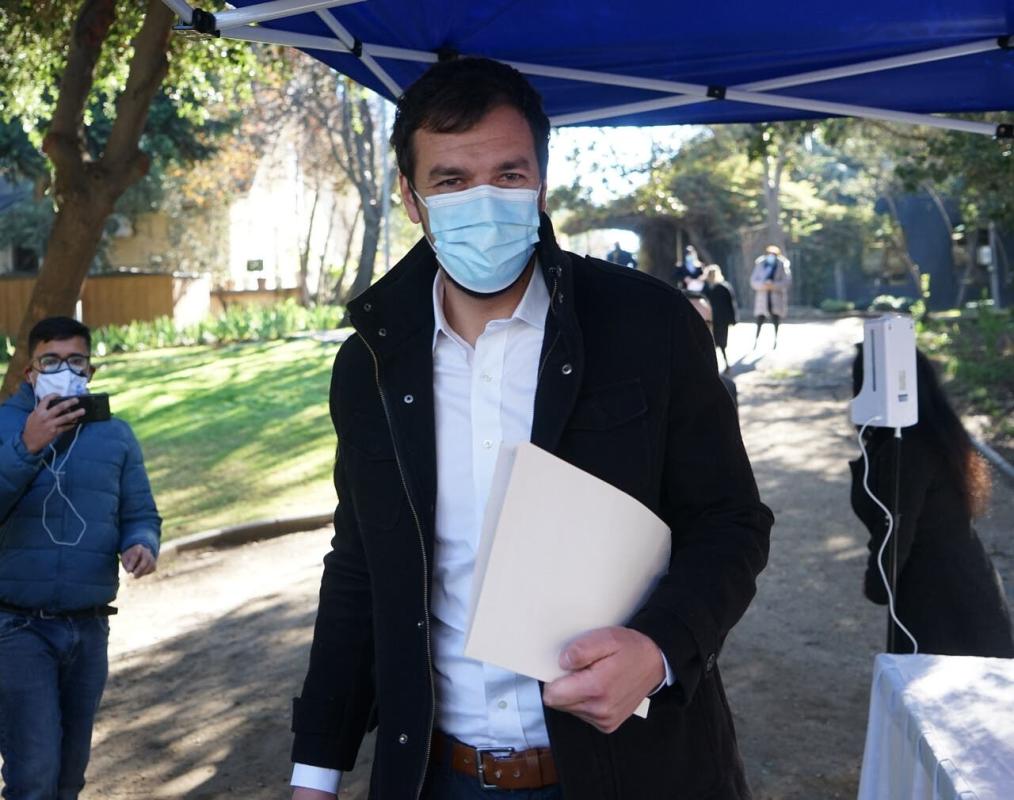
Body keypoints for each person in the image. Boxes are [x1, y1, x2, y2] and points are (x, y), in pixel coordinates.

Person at [291, 57, 772, 800]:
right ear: (411, 198)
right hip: (441, 777)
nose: (482, 200)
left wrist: (659, 648)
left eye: (508, 175)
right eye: (451, 180)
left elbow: (730, 522)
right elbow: (359, 566)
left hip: (635, 773)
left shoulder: (651, 327)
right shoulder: (369, 368)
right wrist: (316, 772)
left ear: (541, 183)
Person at [0, 316, 161, 799]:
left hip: (89, 628)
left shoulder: (116, 436)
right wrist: (26, 446)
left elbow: (140, 512)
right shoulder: (3, 425)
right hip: (16, 627)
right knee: (35, 773)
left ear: (90, 371)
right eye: (50, 360)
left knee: (70, 775)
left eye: (75, 361)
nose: (63, 370)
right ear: (30, 372)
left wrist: (141, 543)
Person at [849, 346, 1013, 657]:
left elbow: (895, 529)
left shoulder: (908, 449)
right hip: (958, 590)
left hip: (945, 607)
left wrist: (878, 582)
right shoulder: (931, 434)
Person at [749, 245, 791, 348]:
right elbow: (753, 281)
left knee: (775, 320)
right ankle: (756, 341)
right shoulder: (760, 264)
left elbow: (787, 281)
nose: (771, 256)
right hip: (763, 297)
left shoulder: (782, 265)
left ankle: (775, 341)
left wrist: (773, 285)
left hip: (775, 297)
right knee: (760, 320)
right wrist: (764, 285)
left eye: (774, 254)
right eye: (769, 254)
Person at [702, 264, 738, 371]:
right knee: (711, 344)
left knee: (721, 343)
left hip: (722, 320)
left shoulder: (724, 287)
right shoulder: (706, 289)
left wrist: (733, 319)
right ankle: (712, 367)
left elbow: (731, 304)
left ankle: (725, 364)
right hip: (710, 320)